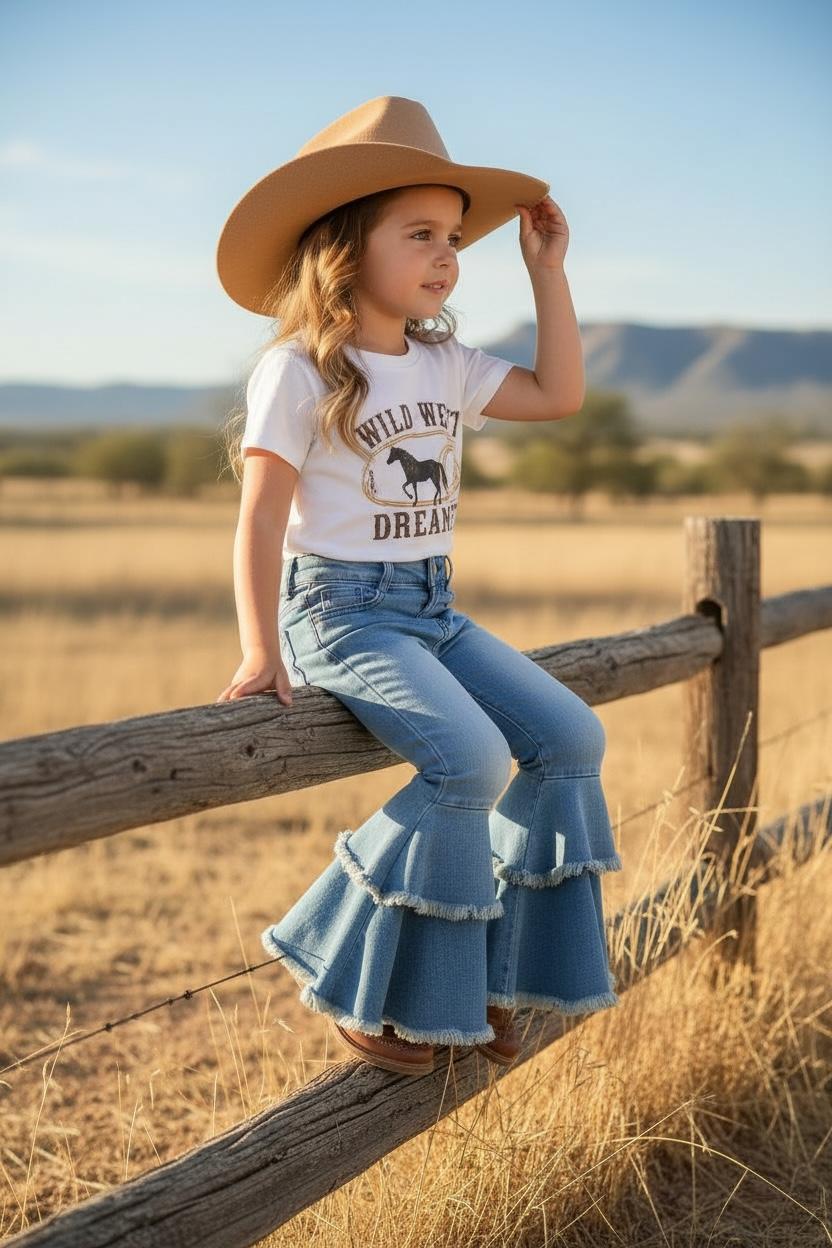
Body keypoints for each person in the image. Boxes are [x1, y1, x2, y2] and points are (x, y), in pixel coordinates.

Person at [216, 97, 619, 1076]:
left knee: (569, 738)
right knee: (469, 763)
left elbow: (557, 395)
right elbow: (262, 515)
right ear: (346, 248)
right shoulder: (301, 369)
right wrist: (261, 649)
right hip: (341, 613)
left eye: (453, 239)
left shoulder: (443, 360)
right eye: (420, 235)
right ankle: (372, 991)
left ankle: (492, 974)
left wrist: (546, 274)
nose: (445, 256)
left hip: (431, 608)